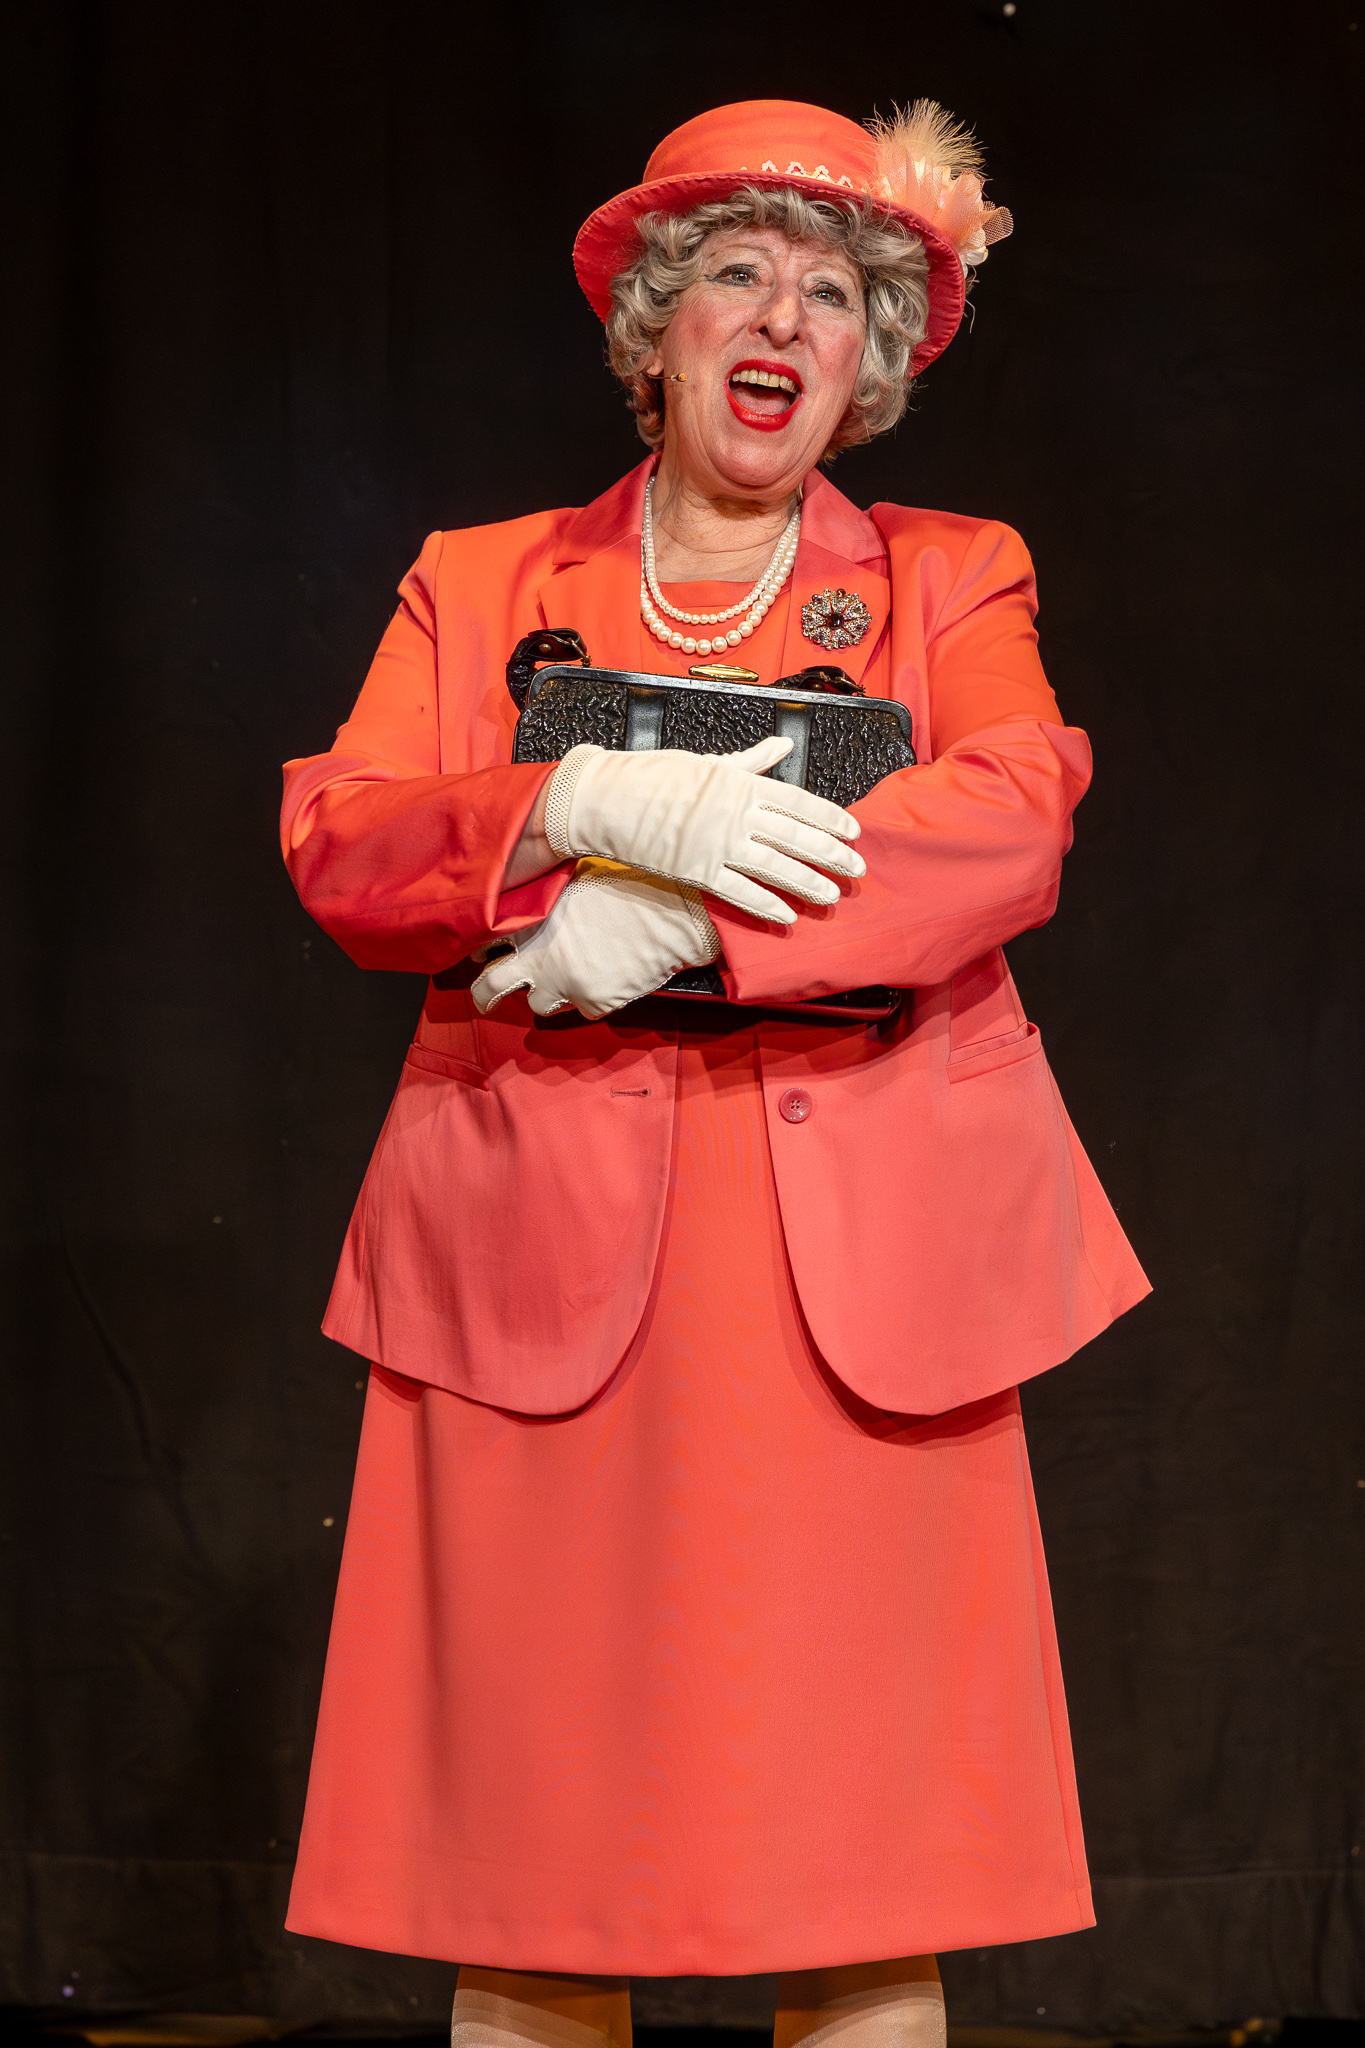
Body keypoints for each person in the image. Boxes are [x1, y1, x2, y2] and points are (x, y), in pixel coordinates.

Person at [280, 97, 1150, 2048]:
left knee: (865, 1885)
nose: (782, 320)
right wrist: (558, 810)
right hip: (535, 1264)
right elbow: (343, 835)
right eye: (739, 276)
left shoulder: (950, 574)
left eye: (832, 296)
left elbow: (1010, 816)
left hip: (857, 1281)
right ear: (655, 327)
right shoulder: (479, 581)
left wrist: (687, 917)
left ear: (869, 364)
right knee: (534, 1876)